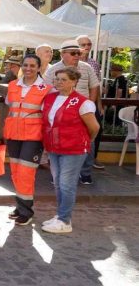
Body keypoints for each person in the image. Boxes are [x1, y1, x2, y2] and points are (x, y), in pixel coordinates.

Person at [41, 67, 100, 234]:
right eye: (57, 79)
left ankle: (65, 221)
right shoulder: (50, 98)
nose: (59, 82)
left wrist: (85, 141)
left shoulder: (83, 102)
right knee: (58, 183)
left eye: (64, 79)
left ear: (74, 82)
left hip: (73, 150)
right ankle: (60, 215)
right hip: (54, 147)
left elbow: (94, 127)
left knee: (66, 184)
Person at [44, 40, 101, 185]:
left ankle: (86, 173)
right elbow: (46, 89)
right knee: (58, 139)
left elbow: (94, 86)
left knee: (88, 139)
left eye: (78, 53)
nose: (77, 56)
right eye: (73, 53)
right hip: (61, 109)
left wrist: (91, 105)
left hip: (83, 109)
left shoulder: (86, 67)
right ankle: (57, 173)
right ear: (63, 54)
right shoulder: (53, 70)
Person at [4, 55, 52, 226]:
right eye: (25, 65)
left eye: (32, 65)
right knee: (16, 172)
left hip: (33, 136)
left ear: (39, 68)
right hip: (14, 135)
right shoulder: (12, 85)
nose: (28, 68)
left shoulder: (47, 88)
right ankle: (21, 206)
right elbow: (11, 106)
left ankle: (26, 211)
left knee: (26, 173)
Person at [77, 35, 105, 170]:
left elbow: (96, 85)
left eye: (88, 44)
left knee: (96, 129)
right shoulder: (70, 61)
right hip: (75, 103)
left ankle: (92, 158)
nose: (86, 47)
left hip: (90, 103)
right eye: (83, 45)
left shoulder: (93, 63)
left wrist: (99, 105)